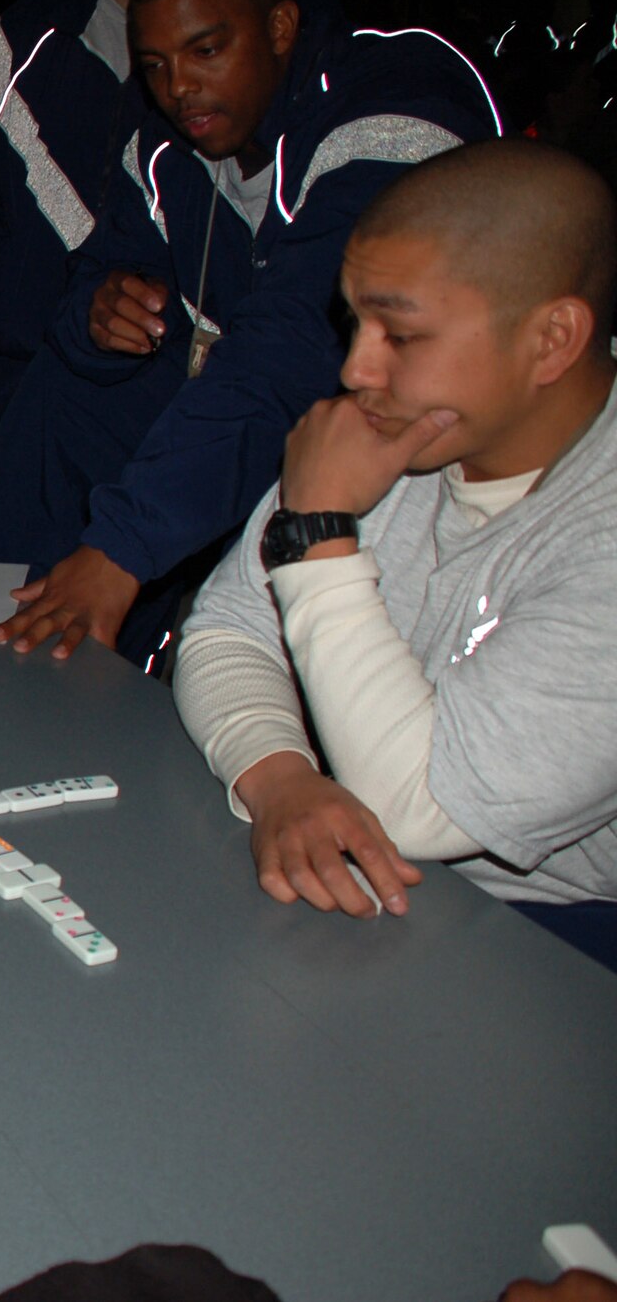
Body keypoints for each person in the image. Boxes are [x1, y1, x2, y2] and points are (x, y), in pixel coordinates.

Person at [0, 0, 500, 668]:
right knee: (62, 396)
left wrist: (120, 550)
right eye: (154, 65)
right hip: (237, 430)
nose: (178, 85)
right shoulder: (166, 142)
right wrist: (97, 316)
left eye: (206, 50)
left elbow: (292, 349)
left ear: (279, 28)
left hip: (409, 462)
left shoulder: (396, 98)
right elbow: (98, 274)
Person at [172, 140, 617, 971]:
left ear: (552, 339)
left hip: (563, 934)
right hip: (383, 863)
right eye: (354, 321)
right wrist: (281, 779)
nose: (354, 368)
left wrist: (316, 534)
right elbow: (227, 631)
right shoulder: (406, 426)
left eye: (399, 334)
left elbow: (420, 808)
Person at [0, 0, 146, 525]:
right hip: (32, 353)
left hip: (157, 364)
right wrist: (7, 288)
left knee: (134, 558)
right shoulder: (32, 30)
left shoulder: (224, 24)